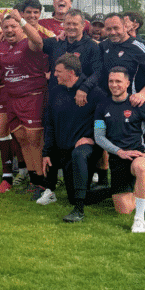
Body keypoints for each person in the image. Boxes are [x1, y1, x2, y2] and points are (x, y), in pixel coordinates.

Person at [94, 66, 145, 233]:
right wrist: (119, 151)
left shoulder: (138, 103)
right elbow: (99, 136)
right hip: (118, 158)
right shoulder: (102, 106)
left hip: (138, 154)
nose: (114, 85)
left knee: (141, 167)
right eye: (111, 81)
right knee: (123, 210)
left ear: (127, 83)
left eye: (118, 81)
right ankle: (138, 192)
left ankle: (140, 219)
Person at [39, 54, 107, 221]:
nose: (54, 74)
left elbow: (105, 119)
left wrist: (93, 138)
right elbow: (50, 124)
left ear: (71, 72)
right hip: (63, 149)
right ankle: (114, 190)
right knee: (72, 196)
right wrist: (46, 152)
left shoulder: (95, 93)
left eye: (58, 71)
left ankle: (80, 209)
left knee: (79, 154)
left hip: (85, 150)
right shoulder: (55, 92)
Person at [0, 12, 48, 195]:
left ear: (21, 28)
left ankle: (43, 182)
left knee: (35, 141)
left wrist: (22, 20)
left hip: (32, 97)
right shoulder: (1, 45)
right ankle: (33, 180)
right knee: (22, 140)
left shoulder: (29, 42)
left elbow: (38, 41)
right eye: (5, 27)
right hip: (12, 99)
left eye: (13, 26)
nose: (9, 30)